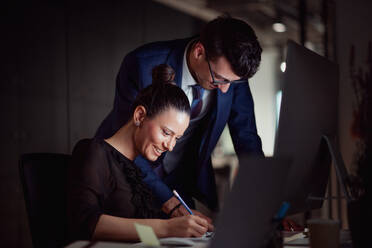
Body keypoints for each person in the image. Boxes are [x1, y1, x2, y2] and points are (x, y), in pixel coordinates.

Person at [95, 15, 264, 217]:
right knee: (140, 237)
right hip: (127, 173)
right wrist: (167, 200)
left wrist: (268, 204)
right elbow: (128, 139)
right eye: (219, 79)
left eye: (232, 82)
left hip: (182, 182)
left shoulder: (232, 76)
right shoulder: (141, 64)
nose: (225, 89)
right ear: (199, 52)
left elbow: (247, 138)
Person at [67, 65, 211, 242]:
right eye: (166, 133)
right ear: (140, 116)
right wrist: (167, 228)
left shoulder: (139, 172)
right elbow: (85, 223)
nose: (171, 146)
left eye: (177, 138)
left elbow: (139, 236)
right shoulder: (93, 152)